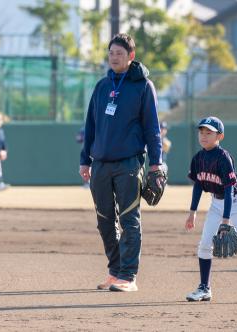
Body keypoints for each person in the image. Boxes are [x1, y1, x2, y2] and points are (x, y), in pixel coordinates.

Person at [79, 33, 163, 292]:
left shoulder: (143, 86)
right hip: (101, 163)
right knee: (104, 220)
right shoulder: (102, 86)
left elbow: (152, 128)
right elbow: (90, 125)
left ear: (131, 56)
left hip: (129, 163)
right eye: (111, 52)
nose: (114, 57)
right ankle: (115, 271)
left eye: (119, 53)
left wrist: (156, 164)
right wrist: (85, 159)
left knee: (129, 220)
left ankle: (129, 275)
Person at [185, 116, 237, 303]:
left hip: (236, 203)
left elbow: (229, 188)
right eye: (201, 132)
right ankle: (204, 288)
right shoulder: (198, 158)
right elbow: (198, 185)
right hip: (216, 203)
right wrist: (192, 212)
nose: (204, 136)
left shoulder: (223, 158)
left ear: (219, 136)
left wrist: (225, 221)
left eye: (209, 133)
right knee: (205, 244)